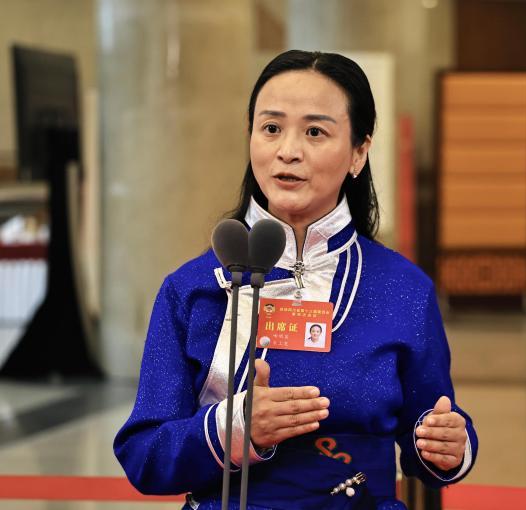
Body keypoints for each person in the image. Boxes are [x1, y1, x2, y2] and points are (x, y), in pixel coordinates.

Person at [114, 50, 478, 510]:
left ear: (359, 151)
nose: (288, 150)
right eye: (271, 128)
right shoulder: (191, 289)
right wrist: (234, 428)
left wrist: (449, 445)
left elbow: (431, 431)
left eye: (314, 132)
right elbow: (144, 455)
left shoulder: (405, 288)